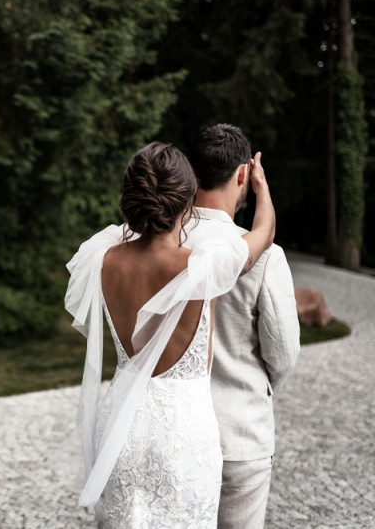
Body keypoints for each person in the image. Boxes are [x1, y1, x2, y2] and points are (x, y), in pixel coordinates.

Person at [64, 141, 276, 527]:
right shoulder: (202, 264)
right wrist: (259, 186)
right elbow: (264, 232)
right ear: (186, 202)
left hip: (118, 429)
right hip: (182, 431)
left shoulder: (103, 257)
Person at [184, 124, 300, 528]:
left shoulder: (160, 245)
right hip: (239, 435)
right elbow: (283, 354)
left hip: (174, 436)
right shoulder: (265, 256)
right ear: (243, 175)